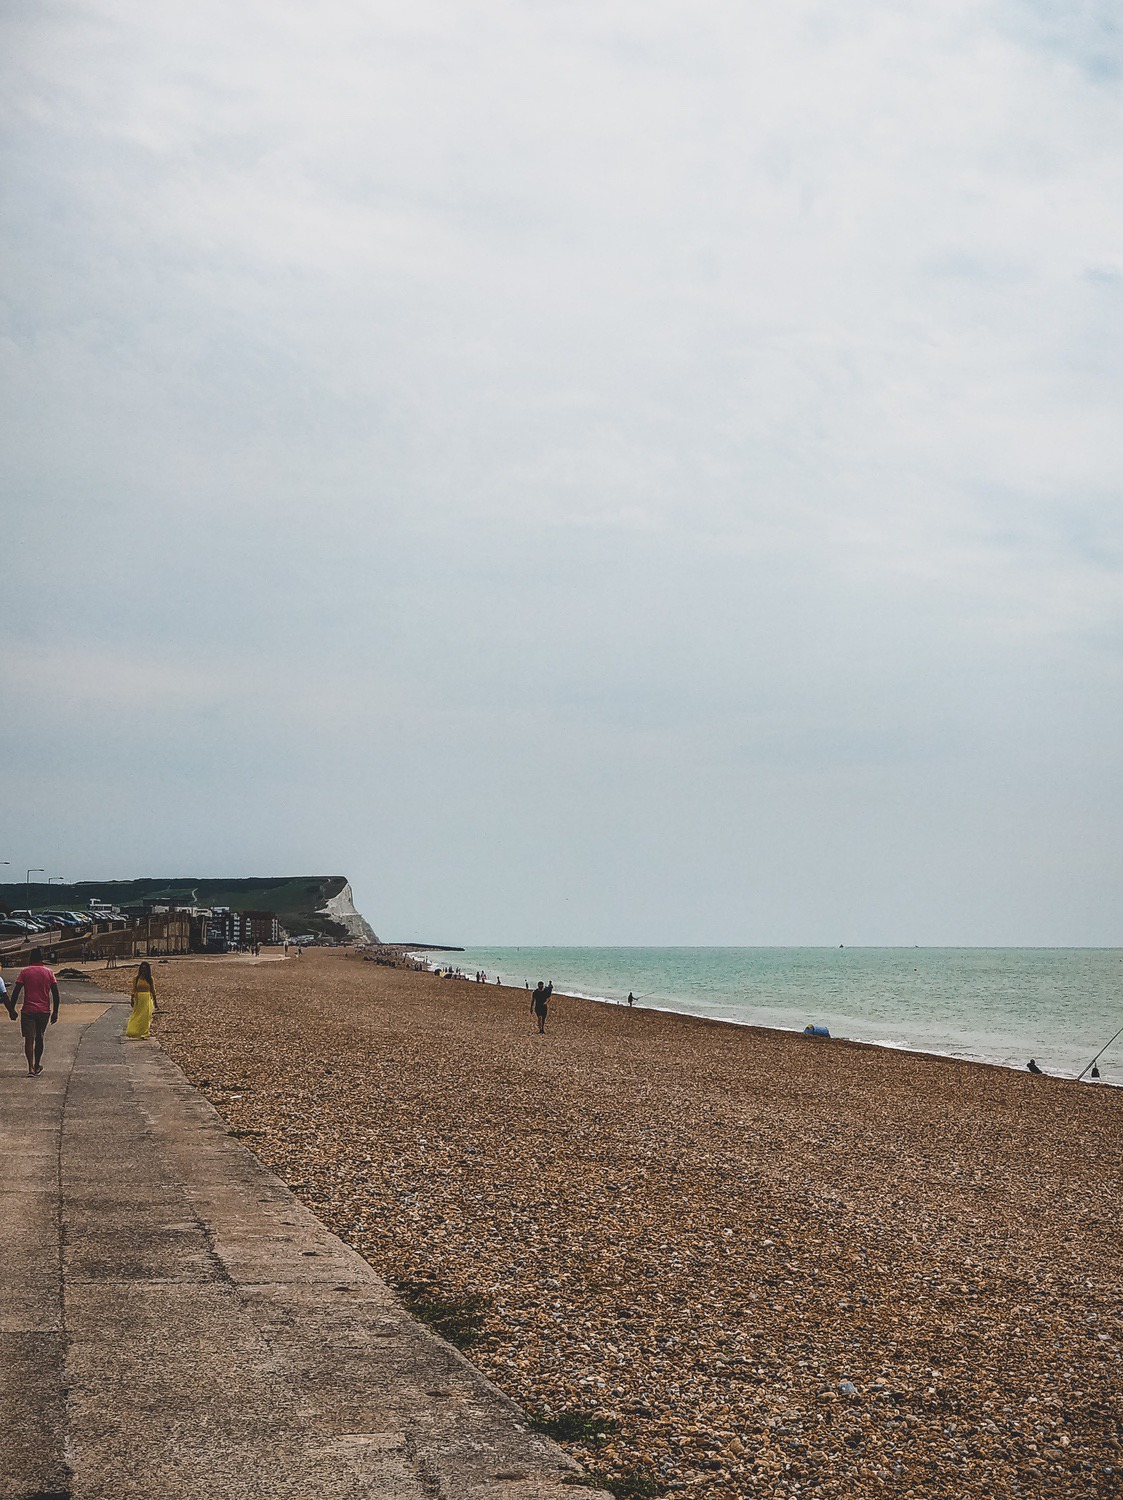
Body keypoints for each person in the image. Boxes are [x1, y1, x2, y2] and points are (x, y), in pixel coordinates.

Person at [6, 948, 60, 1077]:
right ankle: (37, 1065)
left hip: (28, 1010)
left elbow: (16, 992)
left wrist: (12, 1009)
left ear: (31, 958)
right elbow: (56, 994)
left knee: (29, 1039)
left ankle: (30, 1067)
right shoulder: (49, 972)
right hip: (44, 1010)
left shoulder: (25, 972)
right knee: (40, 1037)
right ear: (42, 958)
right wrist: (55, 1012)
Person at [126, 961, 158, 1039]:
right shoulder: (136, 979)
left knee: (146, 1017)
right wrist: (132, 998)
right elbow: (134, 989)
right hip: (139, 999)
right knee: (136, 1016)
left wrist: (155, 1002)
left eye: (145, 969)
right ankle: (133, 1031)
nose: (144, 970)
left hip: (147, 999)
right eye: (142, 969)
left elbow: (153, 990)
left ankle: (145, 1033)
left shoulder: (150, 979)